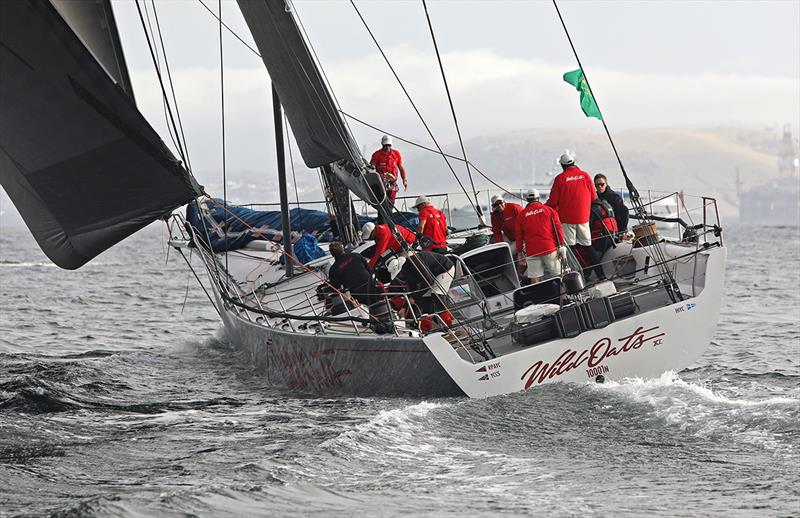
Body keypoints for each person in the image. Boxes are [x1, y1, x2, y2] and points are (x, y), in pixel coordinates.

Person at [515, 189, 567, 284]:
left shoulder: (521, 215)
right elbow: (558, 229)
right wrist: (561, 245)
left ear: (527, 199)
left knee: (535, 277)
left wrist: (520, 252)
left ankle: (538, 298)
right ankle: (564, 296)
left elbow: (518, 236)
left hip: (532, 250)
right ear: (538, 198)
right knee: (559, 274)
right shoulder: (549, 210)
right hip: (549, 248)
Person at [398, 250, 455, 314]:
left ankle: (447, 318)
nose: (399, 275)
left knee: (437, 296)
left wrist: (415, 297)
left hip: (445, 269)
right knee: (425, 301)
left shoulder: (415, 263)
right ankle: (429, 320)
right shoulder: (406, 272)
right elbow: (412, 288)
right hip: (433, 274)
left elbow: (428, 281)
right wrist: (404, 307)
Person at [327, 242, 378, 306]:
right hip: (372, 286)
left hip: (357, 294)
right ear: (343, 249)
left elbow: (336, 288)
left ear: (332, 254)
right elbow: (369, 270)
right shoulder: (356, 255)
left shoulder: (333, 269)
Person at [370, 135, 408, 207]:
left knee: (391, 204)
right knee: (382, 204)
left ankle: (389, 217)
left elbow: (400, 167)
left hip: (392, 184)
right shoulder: (377, 155)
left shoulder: (396, 154)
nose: (387, 147)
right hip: (381, 184)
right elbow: (372, 168)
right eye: (385, 145)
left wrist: (404, 180)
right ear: (382, 144)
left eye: (389, 145)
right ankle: (382, 218)